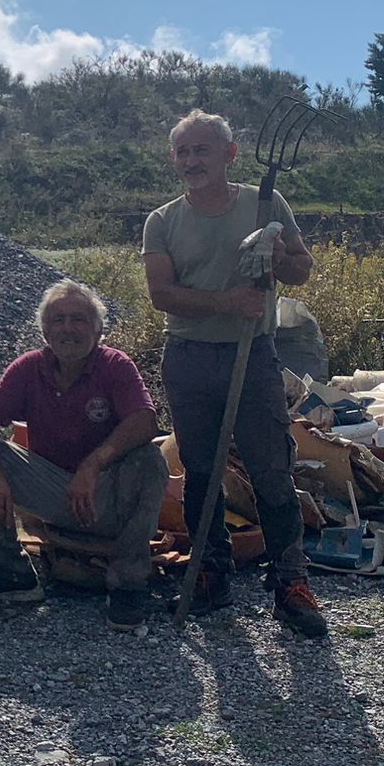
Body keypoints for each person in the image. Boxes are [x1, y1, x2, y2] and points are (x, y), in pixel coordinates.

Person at [143, 109, 327, 638]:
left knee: (271, 469)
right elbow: (161, 294)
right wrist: (227, 302)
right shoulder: (163, 221)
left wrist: (277, 258)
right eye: (183, 152)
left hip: (254, 356)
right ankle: (211, 573)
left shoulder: (264, 204)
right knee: (201, 471)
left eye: (201, 150)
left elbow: (302, 269)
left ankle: (290, 583)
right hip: (190, 356)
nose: (191, 161)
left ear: (229, 154)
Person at [0, 279, 167, 629]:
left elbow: (145, 421)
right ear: (45, 331)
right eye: (58, 320)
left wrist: (92, 465)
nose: (68, 328)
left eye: (79, 319)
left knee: (150, 460)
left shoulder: (115, 365)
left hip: (105, 495)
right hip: (53, 493)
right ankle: (13, 573)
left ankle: (128, 585)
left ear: (97, 330)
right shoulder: (29, 368)